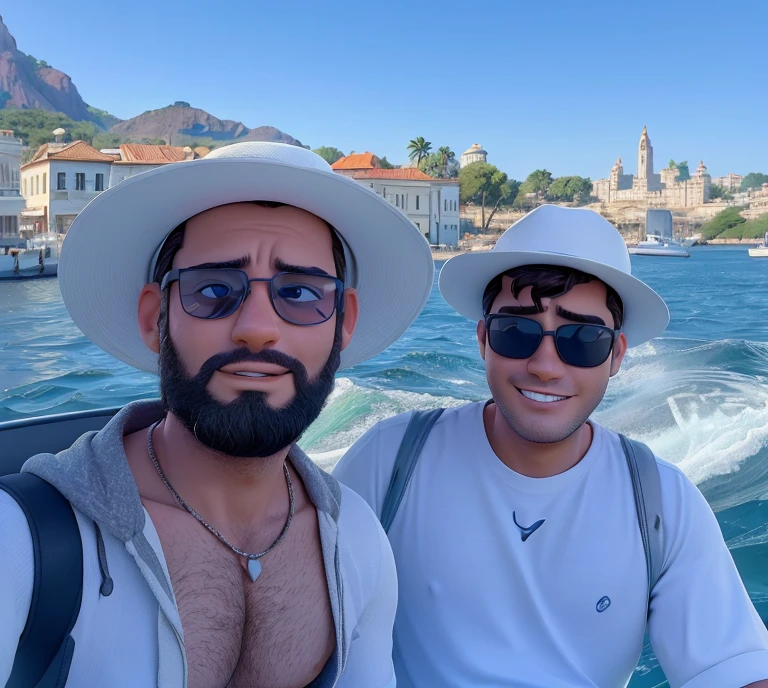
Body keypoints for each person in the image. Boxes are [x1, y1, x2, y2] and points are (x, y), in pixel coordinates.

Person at [0, 142, 435, 687]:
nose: (257, 327)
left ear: (342, 322)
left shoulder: (357, 540)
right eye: (213, 290)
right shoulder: (20, 543)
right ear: (155, 317)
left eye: (299, 292)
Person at [334, 204, 768, 688]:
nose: (545, 365)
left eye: (581, 339)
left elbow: (734, 670)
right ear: (483, 340)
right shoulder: (391, 460)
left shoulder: (661, 501)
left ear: (616, 355)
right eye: (516, 331)